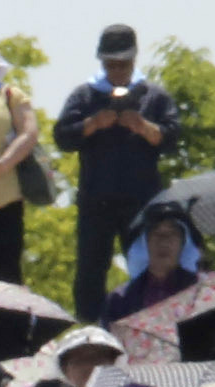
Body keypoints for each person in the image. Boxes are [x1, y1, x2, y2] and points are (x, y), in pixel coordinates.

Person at [50, 28, 181, 320]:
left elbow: (172, 138)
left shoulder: (154, 96)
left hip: (141, 200)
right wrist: (93, 124)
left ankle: (149, 324)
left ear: (134, 59)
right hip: (96, 200)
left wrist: (144, 127)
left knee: (148, 268)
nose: (117, 70)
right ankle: (90, 330)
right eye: (111, 63)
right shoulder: (85, 94)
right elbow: (62, 137)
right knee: (90, 271)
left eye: (123, 63)